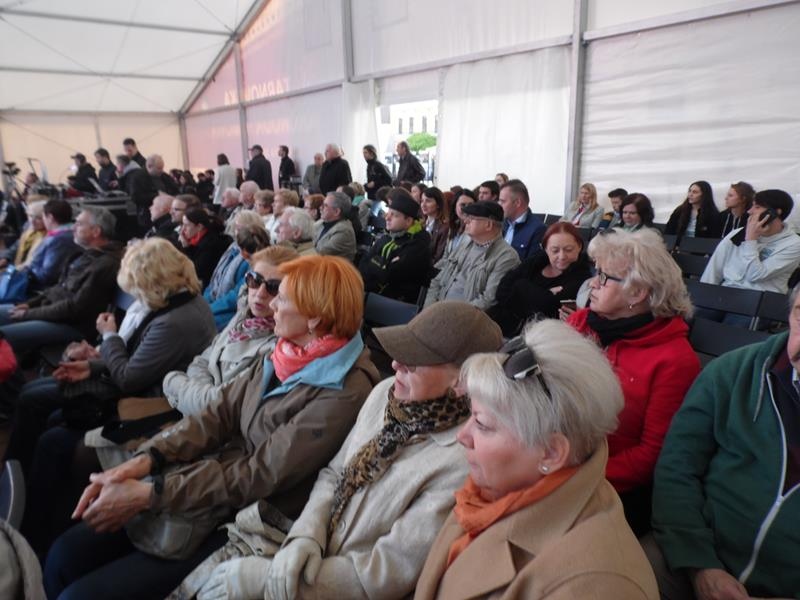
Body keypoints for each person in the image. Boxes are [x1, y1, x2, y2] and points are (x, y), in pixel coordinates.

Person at [46, 256, 380, 600]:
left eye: (282, 297)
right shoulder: (287, 352)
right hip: (213, 482)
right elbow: (217, 415)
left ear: (315, 319)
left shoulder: (345, 389)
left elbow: (260, 473)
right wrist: (147, 459)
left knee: (80, 593)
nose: (272, 304)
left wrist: (151, 493)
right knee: (65, 555)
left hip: (250, 516)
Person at [188, 301, 503, 600]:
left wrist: (271, 579)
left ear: (461, 382)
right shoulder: (385, 394)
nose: (395, 364)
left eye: (412, 362)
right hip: (308, 552)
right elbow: (334, 473)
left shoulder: (462, 462)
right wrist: (307, 536)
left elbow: (386, 572)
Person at [414, 319, 659, 600]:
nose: (462, 436)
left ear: (551, 453)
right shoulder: (496, 487)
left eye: (482, 424)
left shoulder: (599, 585)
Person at [10, 238, 216, 554]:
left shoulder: (176, 320)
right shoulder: (178, 302)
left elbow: (129, 378)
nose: (134, 295)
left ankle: (33, 533)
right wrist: (92, 366)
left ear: (153, 282)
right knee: (45, 413)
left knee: (53, 435)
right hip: (140, 393)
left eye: (137, 287)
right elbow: (138, 360)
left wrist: (108, 337)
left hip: (151, 410)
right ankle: (29, 508)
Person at [645, 282, 800, 600]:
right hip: (692, 555)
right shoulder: (733, 372)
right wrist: (700, 564)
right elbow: (678, 467)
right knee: (616, 573)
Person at [565, 228, 700, 535]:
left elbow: (651, 454)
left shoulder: (675, 360)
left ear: (637, 292)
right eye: (595, 273)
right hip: (554, 462)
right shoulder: (580, 323)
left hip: (610, 490)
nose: (592, 284)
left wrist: (575, 479)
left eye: (604, 278)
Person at [165, 245, 298, 416]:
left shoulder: (279, 348)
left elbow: (220, 407)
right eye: (255, 280)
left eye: (274, 287)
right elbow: (201, 362)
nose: (260, 293)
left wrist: (172, 381)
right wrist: (200, 392)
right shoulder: (244, 316)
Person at [0, 207, 122, 357]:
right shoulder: (84, 255)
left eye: (79, 224)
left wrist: (28, 314)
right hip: (52, 314)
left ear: (96, 231)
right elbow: (58, 288)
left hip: (71, 326)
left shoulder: (105, 264)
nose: (73, 227)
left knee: (2, 335)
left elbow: (74, 308)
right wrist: (30, 304)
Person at [489, 222, 592, 337]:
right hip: (501, 324)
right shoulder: (536, 261)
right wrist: (543, 295)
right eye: (555, 250)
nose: (562, 256)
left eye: (568, 250)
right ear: (546, 249)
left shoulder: (582, 277)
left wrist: (521, 287)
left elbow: (551, 310)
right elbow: (501, 290)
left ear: (579, 247)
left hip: (537, 336)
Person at [701, 188, 800, 294]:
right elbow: (714, 269)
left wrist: (751, 241)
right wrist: (703, 294)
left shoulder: (793, 244)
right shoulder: (737, 234)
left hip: (761, 298)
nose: (750, 211)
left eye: (757, 207)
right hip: (727, 292)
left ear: (775, 213)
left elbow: (755, 275)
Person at [424, 201, 520, 310]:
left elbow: (488, 300)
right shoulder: (464, 244)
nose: (465, 221)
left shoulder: (507, 257)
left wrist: (450, 316)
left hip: (465, 317)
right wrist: (429, 310)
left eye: (471, 218)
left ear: (488, 225)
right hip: (437, 310)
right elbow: (437, 281)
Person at [359, 189, 432, 302]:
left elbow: (389, 275)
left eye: (394, 215)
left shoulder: (418, 244)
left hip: (396, 303)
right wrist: (383, 264)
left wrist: (375, 261)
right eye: (388, 213)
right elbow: (363, 263)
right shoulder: (386, 237)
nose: (387, 218)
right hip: (372, 294)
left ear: (408, 221)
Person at [203, 214, 271, 331]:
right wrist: (205, 302)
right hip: (217, 302)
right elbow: (214, 281)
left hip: (233, 310)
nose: (236, 231)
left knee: (203, 323)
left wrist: (208, 309)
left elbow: (234, 297)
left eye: (239, 228)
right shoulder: (232, 249)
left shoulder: (255, 266)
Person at [25, 198, 78, 291]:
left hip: (42, 289)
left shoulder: (58, 240)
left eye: (43, 217)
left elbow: (46, 276)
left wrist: (29, 269)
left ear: (50, 217)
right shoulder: (72, 233)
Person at [179, 208, 232, 291]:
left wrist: (187, 248)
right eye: (182, 225)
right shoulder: (195, 239)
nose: (183, 229)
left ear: (199, 227)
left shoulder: (211, 243)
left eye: (187, 225)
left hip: (207, 286)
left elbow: (196, 271)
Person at [129, 154, 179, 232]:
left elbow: (175, 189)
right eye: (159, 168)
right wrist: (157, 196)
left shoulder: (164, 176)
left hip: (166, 214)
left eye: (162, 168)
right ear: (149, 166)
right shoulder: (137, 177)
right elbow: (135, 197)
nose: (161, 170)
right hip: (147, 216)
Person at [499, 179, 545, 260]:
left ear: (517, 203)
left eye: (503, 201)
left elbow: (532, 264)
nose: (499, 205)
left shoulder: (538, 229)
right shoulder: (500, 223)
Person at [0, 198, 46, 268]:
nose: (32, 221)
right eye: (30, 216)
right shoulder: (28, 227)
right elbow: (17, 246)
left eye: (38, 218)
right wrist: (6, 258)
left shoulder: (48, 237)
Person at [314, 191, 356, 261]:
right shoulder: (322, 222)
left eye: (325, 206)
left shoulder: (344, 231)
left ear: (336, 212)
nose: (320, 208)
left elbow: (320, 254)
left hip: (332, 267)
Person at [420, 186, 449, 263]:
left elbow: (438, 257)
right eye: (422, 201)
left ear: (438, 204)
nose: (423, 205)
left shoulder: (444, 227)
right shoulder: (421, 224)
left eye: (428, 201)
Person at [444, 189, 476, 256]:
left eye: (471, 205)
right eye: (463, 205)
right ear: (455, 208)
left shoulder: (476, 231)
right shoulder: (453, 227)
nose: (467, 209)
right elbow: (446, 255)